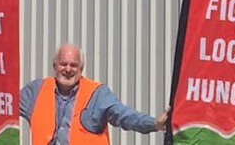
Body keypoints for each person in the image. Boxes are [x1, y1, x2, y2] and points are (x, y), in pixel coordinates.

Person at [19, 44, 170, 145]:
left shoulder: (98, 93)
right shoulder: (35, 91)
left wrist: (154, 123)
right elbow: (1, 105)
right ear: (54, 66)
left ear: (81, 68)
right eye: (63, 64)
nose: (68, 69)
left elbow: (124, 115)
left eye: (74, 65)